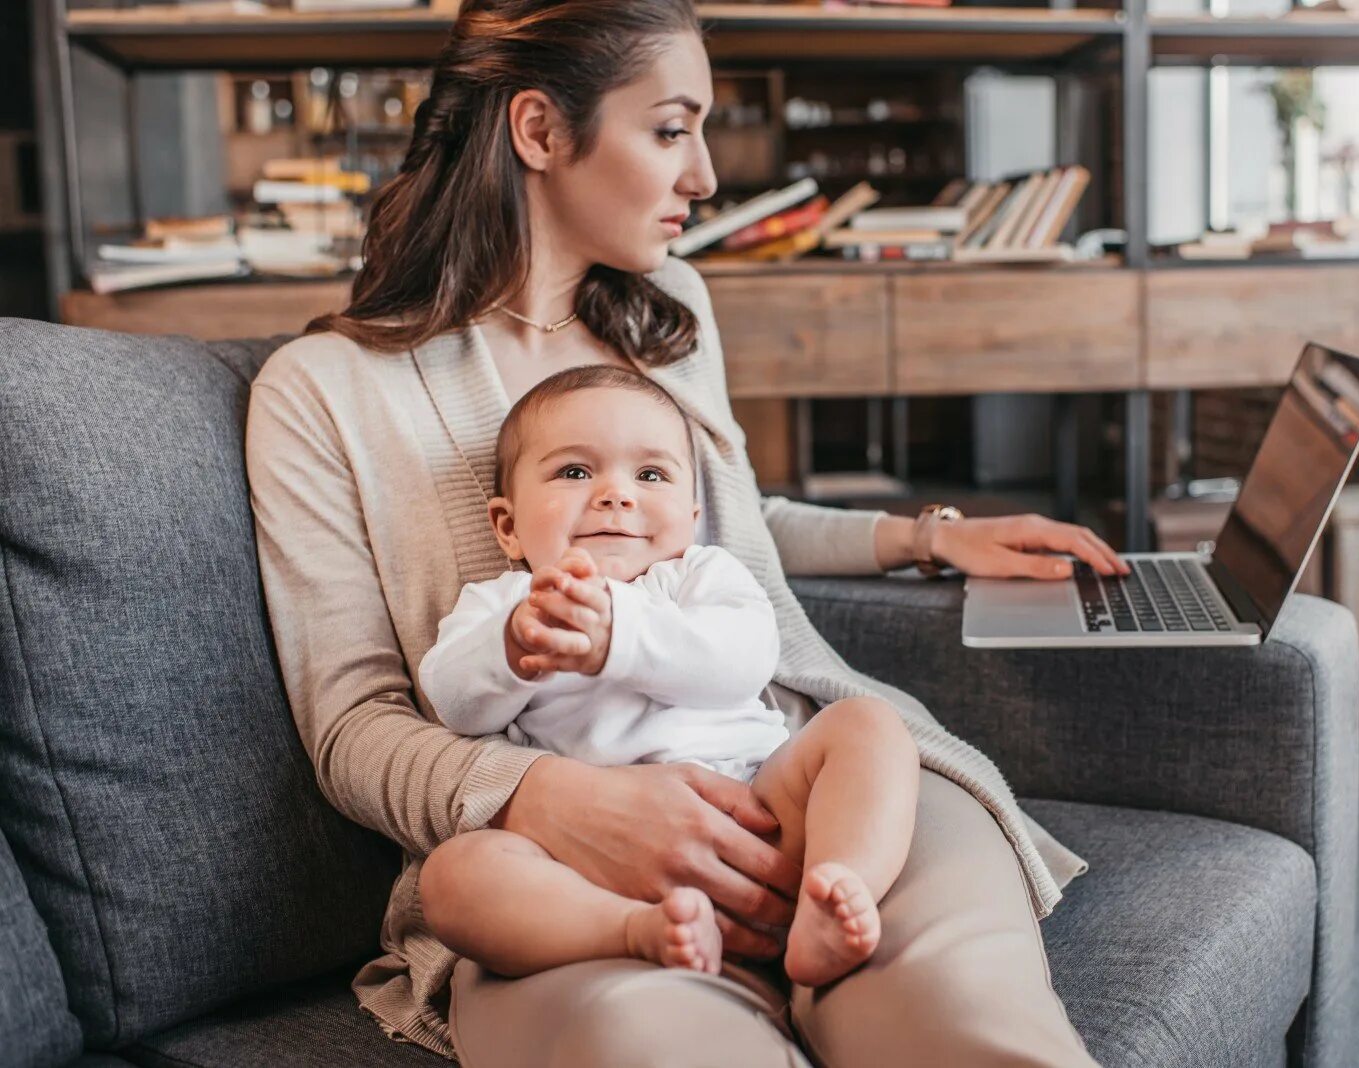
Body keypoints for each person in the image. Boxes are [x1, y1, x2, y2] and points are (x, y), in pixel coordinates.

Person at [245, 1, 1128, 1063]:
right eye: (670, 129)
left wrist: (925, 539)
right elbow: (352, 729)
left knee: (965, 1024)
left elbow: (729, 533)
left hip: (793, 771)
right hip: (553, 865)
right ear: (538, 131)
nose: (705, 176)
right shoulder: (324, 394)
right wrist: (551, 799)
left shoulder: (669, 314)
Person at [418, 365, 921, 987]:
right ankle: (633, 932)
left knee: (867, 723)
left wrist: (619, 638)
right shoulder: (506, 604)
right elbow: (453, 704)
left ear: (690, 516)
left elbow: (741, 663)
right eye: (574, 472)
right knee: (453, 876)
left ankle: (838, 887)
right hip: (591, 860)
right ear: (508, 526)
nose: (615, 494)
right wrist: (512, 647)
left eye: (649, 474)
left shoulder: (700, 576)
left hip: (761, 810)